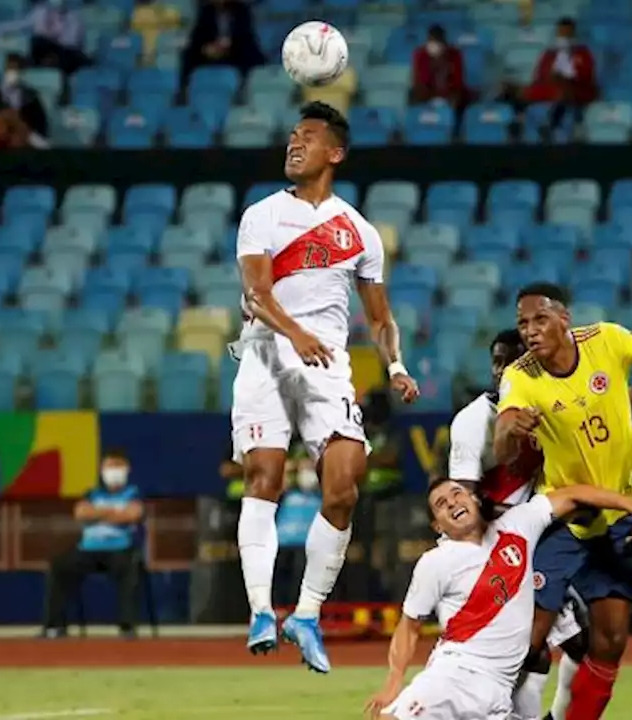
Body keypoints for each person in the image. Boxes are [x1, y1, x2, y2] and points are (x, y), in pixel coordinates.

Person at [231, 101, 420, 674]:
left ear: (334, 153)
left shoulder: (360, 231)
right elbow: (257, 295)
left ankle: (307, 614)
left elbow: (380, 316)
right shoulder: (261, 215)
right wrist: (298, 334)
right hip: (266, 354)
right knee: (265, 474)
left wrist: (395, 367)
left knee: (344, 484)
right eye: (291, 137)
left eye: (307, 138)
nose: (294, 144)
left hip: (326, 364)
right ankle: (262, 610)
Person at [493, 282, 632, 719]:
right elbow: (502, 448)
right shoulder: (521, 376)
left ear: (564, 318)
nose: (531, 331)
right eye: (523, 323)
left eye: (540, 319)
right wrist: (511, 430)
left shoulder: (606, 339)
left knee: (609, 641)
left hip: (619, 517)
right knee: (527, 642)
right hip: (562, 519)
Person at [363, 479, 632, 720]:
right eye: (440, 504)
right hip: (454, 676)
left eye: (457, 493)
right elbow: (409, 626)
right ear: (437, 525)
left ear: (474, 498)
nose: (452, 502)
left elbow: (574, 494)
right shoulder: (436, 562)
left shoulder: (519, 524)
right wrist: (394, 681)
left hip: (499, 693)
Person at [447, 328, 590, 720]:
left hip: (539, 544)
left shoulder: (552, 409)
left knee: (579, 644)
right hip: (499, 550)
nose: (502, 370)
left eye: (512, 360)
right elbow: (461, 502)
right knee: (530, 648)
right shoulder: (475, 420)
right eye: (497, 361)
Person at [42, 448, 144, 638]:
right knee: (58, 566)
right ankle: (55, 626)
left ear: (127, 469)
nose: (113, 471)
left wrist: (97, 513)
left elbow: (132, 515)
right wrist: (113, 513)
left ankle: (127, 627)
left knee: (130, 568)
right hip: (88, 551)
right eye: (109, 466)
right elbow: (80, 513)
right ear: (101, 470)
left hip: (120, 550)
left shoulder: (133, 493)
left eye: (117, 466)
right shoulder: (92, 493)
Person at [521, 17, 598, 137]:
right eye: (561, 34)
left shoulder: (583, 54)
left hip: (574, 97)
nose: (564, 38)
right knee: (532, 108)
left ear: (573, 34)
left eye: (567, 34)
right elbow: (540, 77)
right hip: (550, 96)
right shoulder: (549, 55)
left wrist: (566, 81)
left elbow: (587, 79)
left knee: (565, 105)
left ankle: (554, 127)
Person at [0, 53, 50, 149]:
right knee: (6, 116)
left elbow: (40, 121)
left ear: (21, 72)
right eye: (9, 68)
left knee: (16, 129)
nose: (12, 73)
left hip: (19, 139)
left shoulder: (30, 95)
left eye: (16, 69)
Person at [273, 452, 322, 607]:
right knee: (280, 580)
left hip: (308, 544)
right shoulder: (286, 493)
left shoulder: (321, 494)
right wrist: (290, 470)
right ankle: (278, 611)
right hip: (283, 542)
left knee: (301, 582)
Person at [180, 0, 265, 85]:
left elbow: (244, 35)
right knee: (188, 54)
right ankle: (185, 89)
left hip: (235, 50)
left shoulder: (242, 10)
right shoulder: (206, 11)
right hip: (212, 52)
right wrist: (205, 48)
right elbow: (197, 37)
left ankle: (244, 87)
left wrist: (228, 44)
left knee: (250, 53)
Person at [410, 24, 469, 109]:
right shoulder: (420, 55)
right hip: (426, 95)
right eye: (431, 41)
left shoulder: (455, 55)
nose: (434, 46)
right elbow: (419, 82)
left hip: (450, 95)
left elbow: (457, 82)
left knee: (461, 98)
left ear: (444, 42)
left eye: (437, 42)